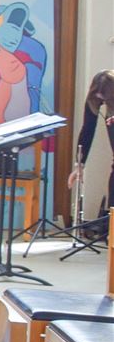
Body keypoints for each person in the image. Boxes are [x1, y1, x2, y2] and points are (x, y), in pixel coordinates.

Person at [67, 69, 114, 228]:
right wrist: (79, 165)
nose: (101, 100)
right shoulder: (95, 96)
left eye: (106, 98)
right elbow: (87, 129)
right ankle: (112, 229)